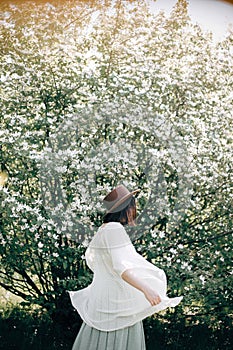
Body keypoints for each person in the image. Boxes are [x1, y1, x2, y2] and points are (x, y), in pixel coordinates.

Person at [68, 184, 183, 350]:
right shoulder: (114, 229)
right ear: (126, 208)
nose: (134, 210)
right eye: (133, 206)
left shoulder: (103, 230)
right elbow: (121, 268)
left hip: (103, 302)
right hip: (117, 305)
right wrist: (147, 289)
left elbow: (97, 263)